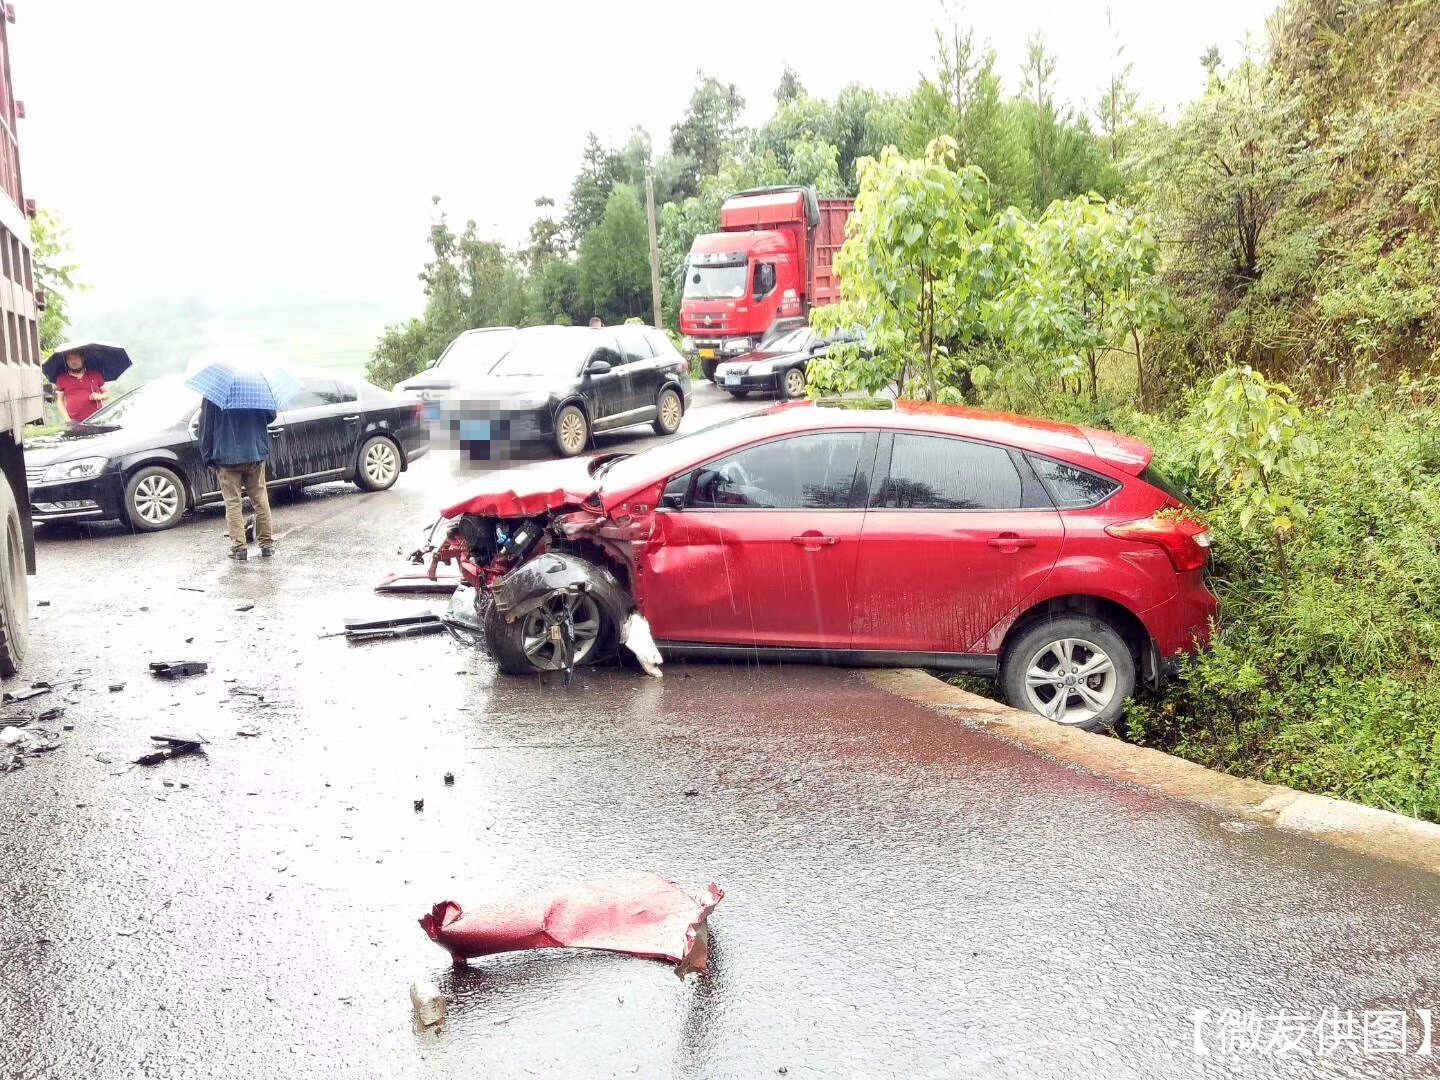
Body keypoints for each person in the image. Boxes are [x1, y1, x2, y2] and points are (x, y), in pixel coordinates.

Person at [198, 396, 275, 561]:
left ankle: (239, 548)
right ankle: (266, 545)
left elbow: (205, 426)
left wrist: (207, 456)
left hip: (226, 455)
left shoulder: (214, 393)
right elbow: (271, 415)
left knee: (233, 502)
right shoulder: (254, 389)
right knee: (261, 500)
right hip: (254, 451)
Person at [55, 351, 108, 422]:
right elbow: (60, 401)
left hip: (97, 418)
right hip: (75, 422)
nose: (73, 361)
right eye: (69, 359)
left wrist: (100, 396)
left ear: (82, 358)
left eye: (75, 358)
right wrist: (68, 420)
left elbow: (107, 393)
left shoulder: (95, 374)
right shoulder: (61, 378)